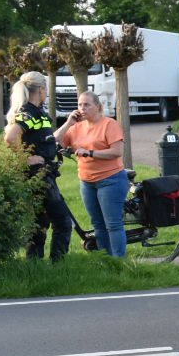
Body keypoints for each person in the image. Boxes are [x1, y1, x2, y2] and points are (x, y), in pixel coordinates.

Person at [2, 70, 74, 260]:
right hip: (38, 176)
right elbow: (10, 137)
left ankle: (34, 263)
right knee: (63, 221)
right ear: (41, 90)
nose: (47, 93)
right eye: (46, 89)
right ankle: (58, 265)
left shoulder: (38, 113)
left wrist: (69, 123)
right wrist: (25, 159)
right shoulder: (27, 112)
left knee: (39, 222)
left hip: (45, 175)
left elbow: (49, 139)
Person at [55, 91, 128, 257]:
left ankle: (120, 262)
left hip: (111, 180)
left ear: (98, 106)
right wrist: (68, 123)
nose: (82, 108)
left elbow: (117, 151)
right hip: (87, 182)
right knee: (98, 224)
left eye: (87, 105)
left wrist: (90, 153)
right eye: (80, 105)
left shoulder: (109, 124)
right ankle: (105, 260)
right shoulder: (76, 128)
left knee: (113, 224)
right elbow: (55, 140)